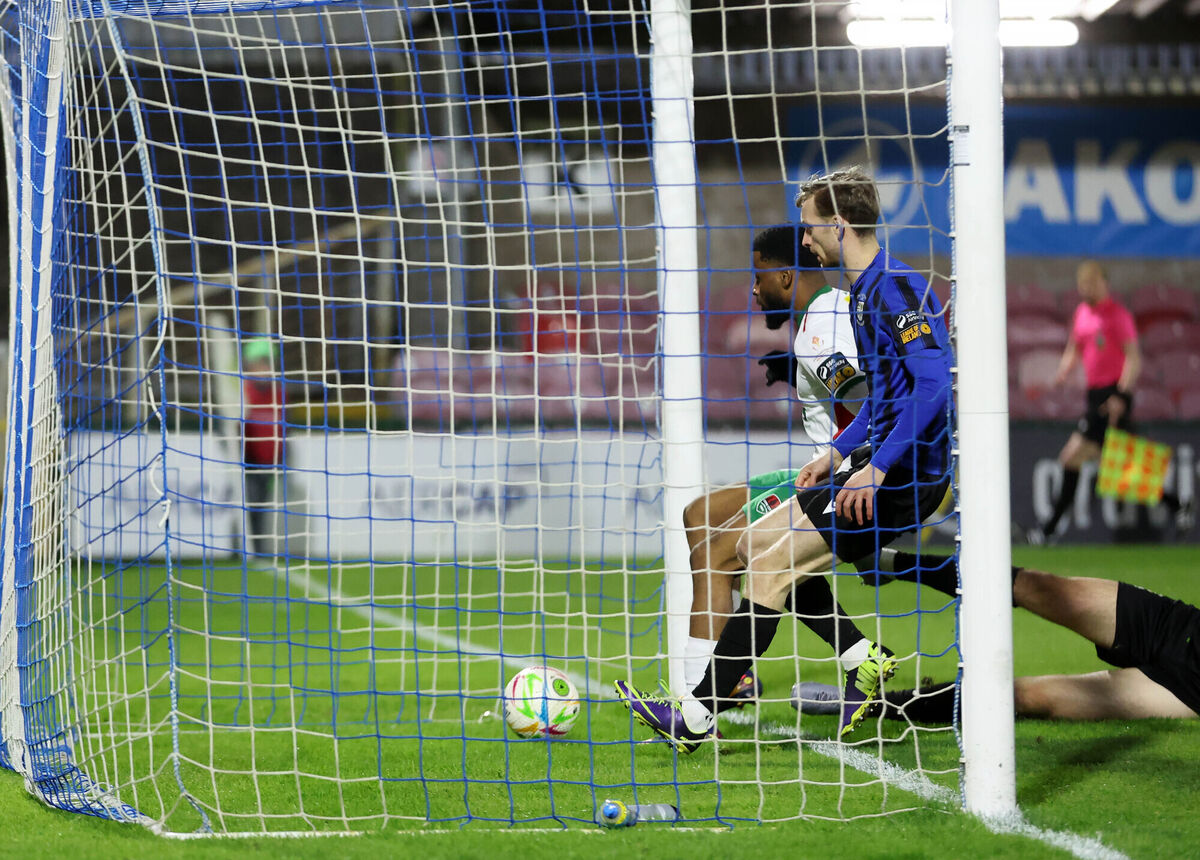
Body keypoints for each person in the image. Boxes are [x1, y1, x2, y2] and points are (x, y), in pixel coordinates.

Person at [617, 166, 955, 747]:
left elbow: (932, 387)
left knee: (769, 566)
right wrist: (837, 453)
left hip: (902, 476)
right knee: (752, 545)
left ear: (839, 225)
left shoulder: (894, 289)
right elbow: (883, 400)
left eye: (810, 226)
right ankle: (860, 657)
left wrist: (873, 467)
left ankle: (696, 715)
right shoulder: (862, 295)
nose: (805, 239)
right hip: (871, 464)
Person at [682, 224, 868, 702]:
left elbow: (871, 401)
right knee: (701, 515)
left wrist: (856, 465)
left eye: (759, 275)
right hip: (829, 467)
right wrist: (798, 370)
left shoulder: (821, 330)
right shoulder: (823, 316)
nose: (753, 288)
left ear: (785, 277)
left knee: (719, 554)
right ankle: (855, 653)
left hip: (844, 477)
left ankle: (700, 696)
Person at [797, 554, 1199, 723]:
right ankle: (895, 562)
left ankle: (872, 705)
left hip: (1191, 689)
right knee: (1037, 587)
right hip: (1178, 627)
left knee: (1027, 697)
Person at [1026, 261, 1190, 543]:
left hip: (1111, 397)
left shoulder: (1118, 315)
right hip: (1094, 396)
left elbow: (1133, 358)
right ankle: (1178, 506)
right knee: (1123, 467)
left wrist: (1120, 395)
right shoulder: (1082, 313)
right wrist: (1062, 373)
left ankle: (1047, 531)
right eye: (1083, 284)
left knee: (1071, 458)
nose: (1087, 289)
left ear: (1104, 283)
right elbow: (1074, 348)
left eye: (1092, 283)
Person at [242, 337, 285, 557]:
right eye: (259, 364)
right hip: (248, 460)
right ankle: (244, 546)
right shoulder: (243, 391)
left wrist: (282, 455)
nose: (264, 369)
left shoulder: (278, 392)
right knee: (247, 502)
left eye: (267, 364)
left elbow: (283, 426)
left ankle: (257, 547)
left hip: (269, 460)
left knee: (261, 504)